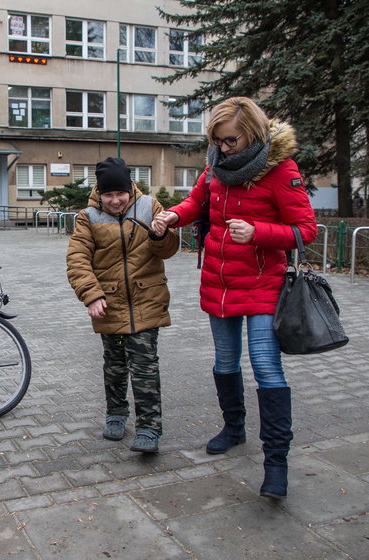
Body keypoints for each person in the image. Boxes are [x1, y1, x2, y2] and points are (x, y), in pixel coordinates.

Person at [152, 97, 317, 498]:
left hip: (263, 284)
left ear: (253, 134)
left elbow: (305, 230)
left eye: (229, 141)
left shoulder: (281, 170)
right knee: (225, 362)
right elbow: (197, 202)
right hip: (219, 282)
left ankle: (276, 461)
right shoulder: (216, 166)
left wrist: (259, 232)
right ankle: (234, 427)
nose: (222, 149)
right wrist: (173, 215)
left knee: (265, 367)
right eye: (216, 141)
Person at [67, 157, 179, 453]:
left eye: (120, 193)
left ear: (130, 188)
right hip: (109, 303)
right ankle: (116, 413)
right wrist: (91, 294)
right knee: (115, 366)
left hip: (148, 299)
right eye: (109, 194)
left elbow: (168, 250)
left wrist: (160, 234)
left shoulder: (149, 207)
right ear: (99, 193)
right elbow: (77, 259)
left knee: (144, 366)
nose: (116, 200)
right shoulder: (87, 217)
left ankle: (149, 427)